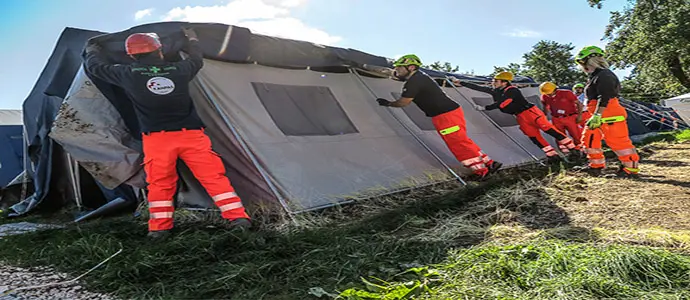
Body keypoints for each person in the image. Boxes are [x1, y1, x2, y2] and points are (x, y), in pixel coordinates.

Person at [83, 28, 252, 239]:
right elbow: (196, 60)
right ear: (159, 51)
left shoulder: (127, 74)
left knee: (160, 184)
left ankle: (160, 230)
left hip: (157, 140)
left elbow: (96, 68)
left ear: (132, 55)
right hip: (191, 136)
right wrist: (192, 39)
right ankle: (238, 218)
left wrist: (92, 50)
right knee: (213, 178)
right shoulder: (179, 70)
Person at [377, 54, 502, 180]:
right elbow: (402, 80)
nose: (396, 69)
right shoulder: (420, 78)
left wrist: (388, 103)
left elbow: (404, 102)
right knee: (463, 141)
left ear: (411, 67)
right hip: (450, 113)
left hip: (444, 116)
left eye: (399, 67)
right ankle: (489, 163)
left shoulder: (414, 81)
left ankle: (481, 171)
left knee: (457, 144)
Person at [453, 72, 580, 163]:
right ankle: (552, 156)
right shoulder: (496, 91)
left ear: (504, 82)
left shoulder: (512, 90)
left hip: (531, 112)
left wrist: (485, 108)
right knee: (533, 136)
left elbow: (503, 103)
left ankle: (574, 150)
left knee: (549, 129)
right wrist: (461, 82)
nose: (493, 83)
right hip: (520, 116)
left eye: (496, 81)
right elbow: (479, 87)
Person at [574, 45, 640, 177]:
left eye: (583, 62)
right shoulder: (594, 76)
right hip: (596, 114)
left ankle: (630, 170)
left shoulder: (605, 75)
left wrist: (598, 114)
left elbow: (605, 96)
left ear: (590, 60)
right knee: (589, 139)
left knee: (619, 143)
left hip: (609, 113)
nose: (582, 66)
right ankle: (596, 166)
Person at [539, 81, 585, 153]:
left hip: (570, 117)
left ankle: (581, 151)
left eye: (550, 92)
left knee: (576, 135)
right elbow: (546, 107)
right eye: (547, 93)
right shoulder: (544, 97)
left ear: (555, 89)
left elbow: (579, 104)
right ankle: (566, 153)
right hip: (556, 118)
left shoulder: (567, 93)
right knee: (559, 137)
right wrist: (544, 118)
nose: (549, 95)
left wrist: (579, 116)